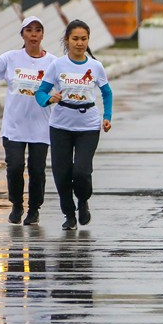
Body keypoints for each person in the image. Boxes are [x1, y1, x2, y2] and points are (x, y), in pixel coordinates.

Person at [0, 16, 57, 225]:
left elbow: (67, 86)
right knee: (14, 167)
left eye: (38, 30)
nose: (34, 35)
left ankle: (34, 208)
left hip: (40, 127)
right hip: (14, 126)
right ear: (22, 34)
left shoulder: (53, 63)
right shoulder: (11, 58)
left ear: (42, 35)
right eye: (29, 30)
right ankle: (17, 204)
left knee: (37, 170)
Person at [35, 20, 113, 230]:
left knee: (81, 172)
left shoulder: (95, 66)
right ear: (67, 40)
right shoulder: (57, 65)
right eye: (75, 39)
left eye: (83, 39)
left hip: (88, 125)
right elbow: (40, 92)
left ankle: (83, 201)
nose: (79, 43)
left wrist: (107, 116)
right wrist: (49, 99)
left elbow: (106, 92)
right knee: (61, 174)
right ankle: (69, 215)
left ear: (88, 41)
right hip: (60, 125)